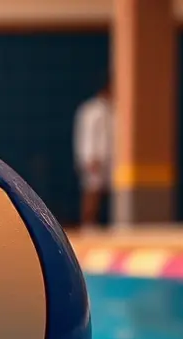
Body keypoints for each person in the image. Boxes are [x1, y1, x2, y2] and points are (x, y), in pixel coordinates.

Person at [73, 80, 113, 228]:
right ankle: (88, 223)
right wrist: (90, 156)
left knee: (105, 192)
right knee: (92, 192)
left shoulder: (111, 110)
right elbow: (88, 135)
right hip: (94, 158)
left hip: (108, 158)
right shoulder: (92, 110)